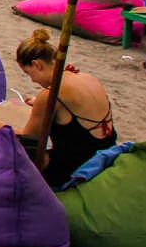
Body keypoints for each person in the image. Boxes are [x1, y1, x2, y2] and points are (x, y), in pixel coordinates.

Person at [7, 29, 116, 189]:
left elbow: (29, 140)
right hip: (108, 151)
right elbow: (77, 103)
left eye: (28, 73)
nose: (32, 80)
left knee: (20, 152)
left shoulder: (51, 95)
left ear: (37, 64)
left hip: (78, 165)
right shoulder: (88, 78)